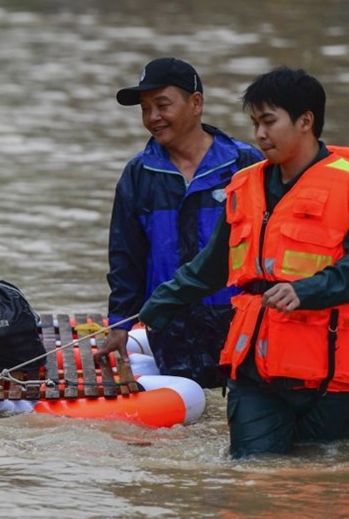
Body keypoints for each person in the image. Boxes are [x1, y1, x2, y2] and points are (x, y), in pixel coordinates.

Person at [140, 67, 349, 457]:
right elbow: (211, 267)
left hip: (330, 375)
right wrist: (152, 309)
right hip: (255, 367)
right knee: (252, 471)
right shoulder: (245, 185)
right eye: (255, 123)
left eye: (269, 122)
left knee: (318, 476)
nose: (259, 134)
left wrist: (306, 290)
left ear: (305, 121)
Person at [94, 58, 262, 387]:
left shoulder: (244, 164)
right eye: (145, 109)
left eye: (162, 105)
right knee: (189, 411)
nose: (152, 117)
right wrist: (120, 323)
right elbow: (126, 257)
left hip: (237, 322)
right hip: (170, 329)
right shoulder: (139, 174)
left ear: (196, 103)